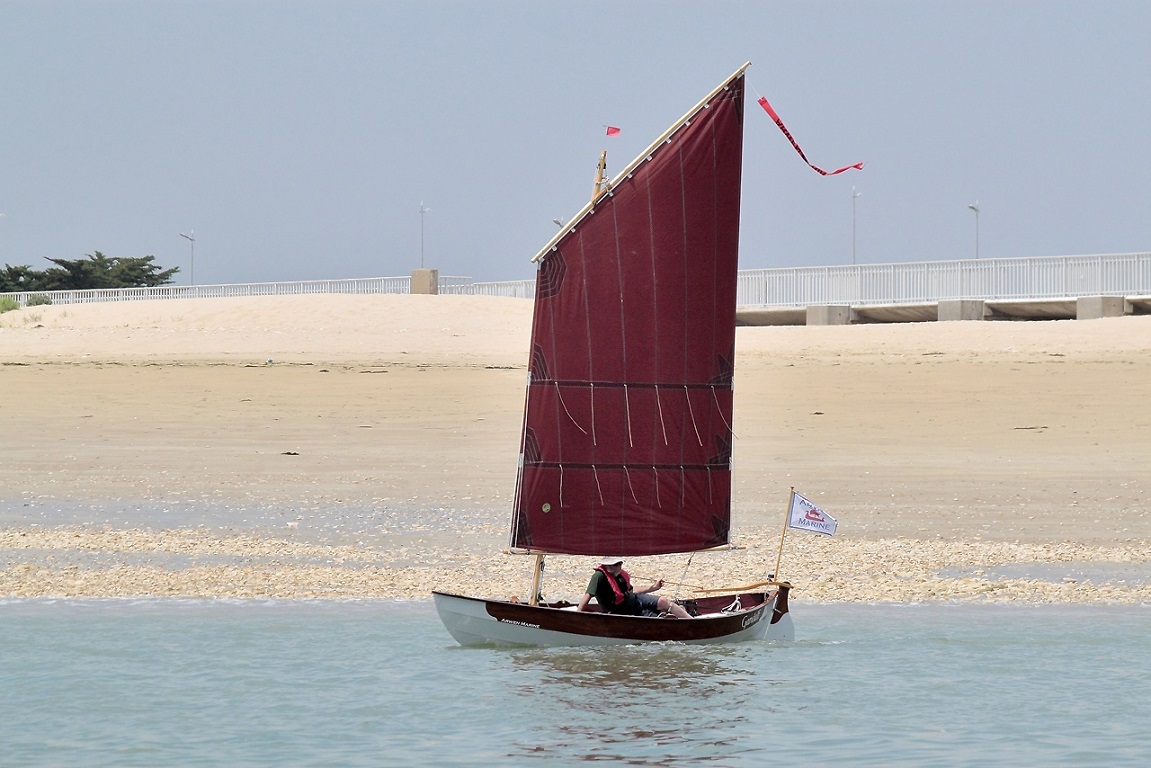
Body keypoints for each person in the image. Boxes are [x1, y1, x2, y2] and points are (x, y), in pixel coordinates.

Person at [575, 558, 693, 618]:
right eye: (617, 564)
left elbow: (631, 590)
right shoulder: (599, 576)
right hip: (627, 611)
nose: (620, 566)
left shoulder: (619, 574)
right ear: (607, 565)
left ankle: (691, 621)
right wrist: (578, 615)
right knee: (660, 619)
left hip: (636, 599)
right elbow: (588, 595)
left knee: (664, 601)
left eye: (620, 563)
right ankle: (679, 615)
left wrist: (653, 588)